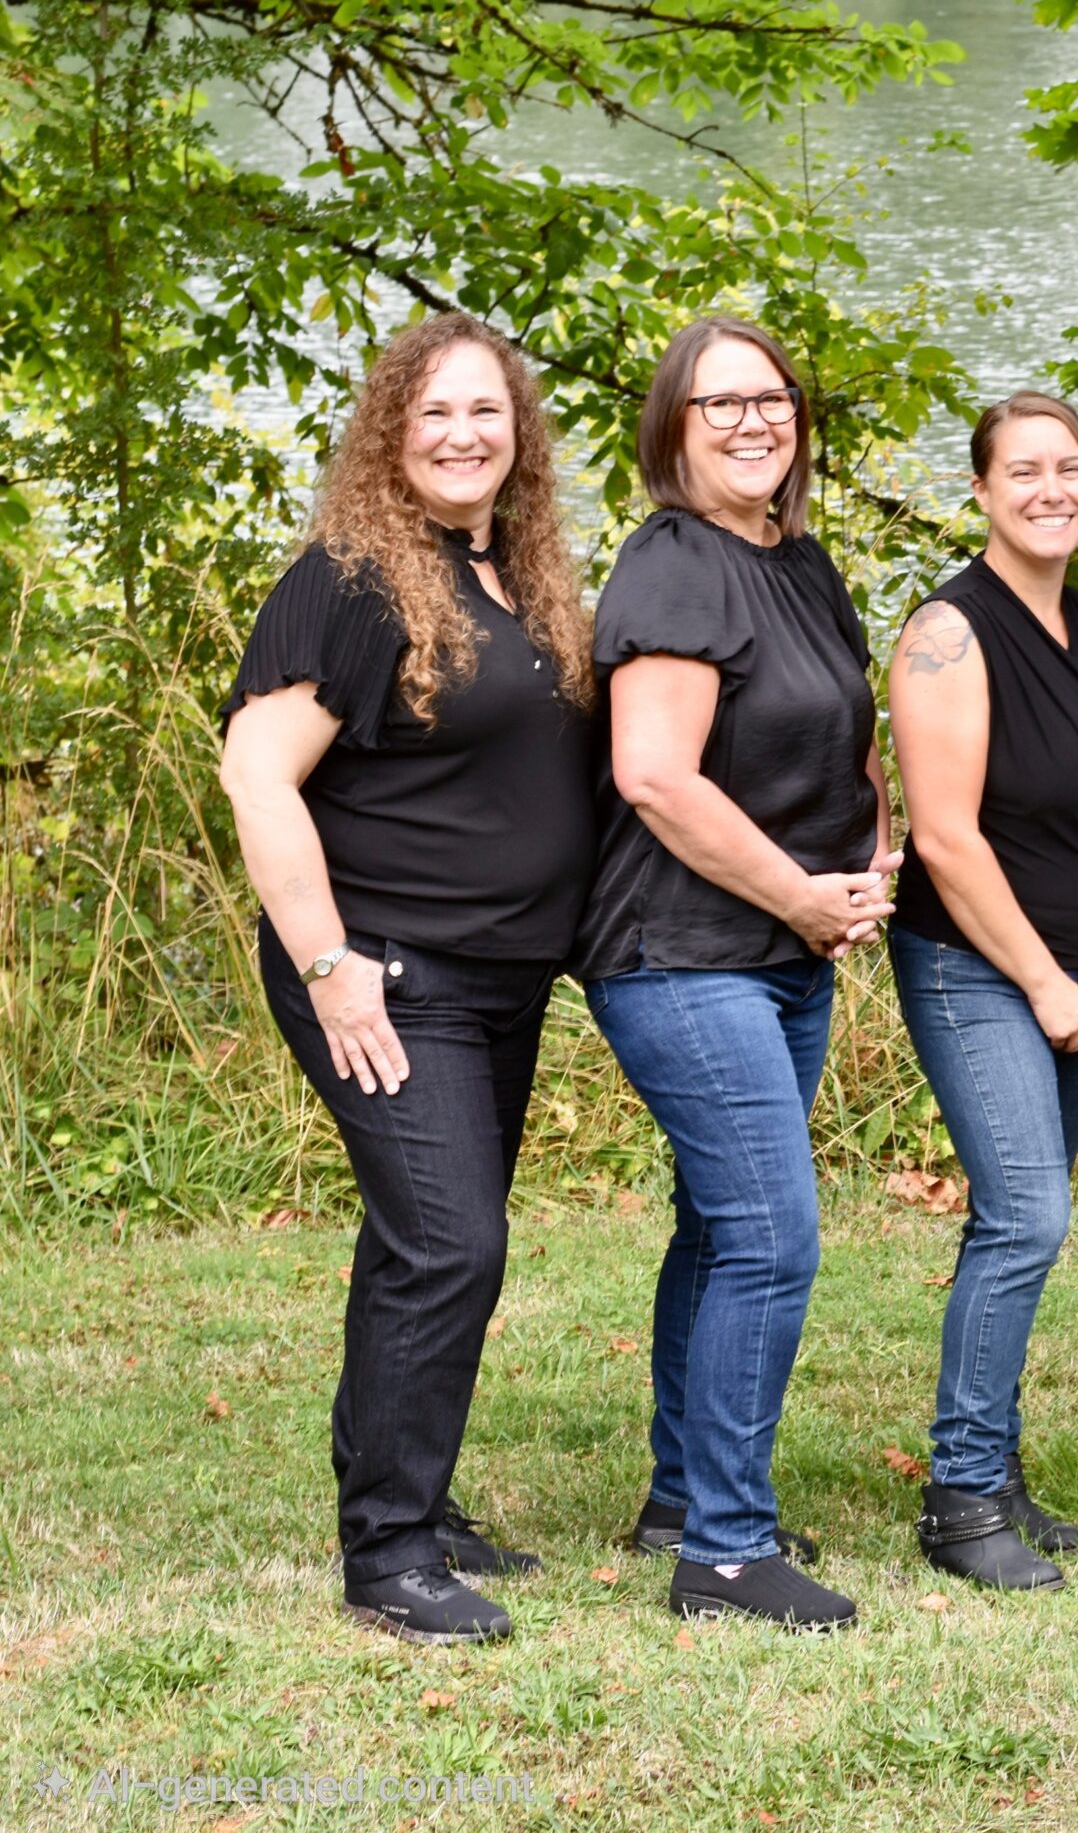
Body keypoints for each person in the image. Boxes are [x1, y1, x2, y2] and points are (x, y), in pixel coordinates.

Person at [219, 313, 595, 1645]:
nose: (462, 434)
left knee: (420, 1242)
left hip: (497, 977)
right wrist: (330, 967)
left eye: (486, 410)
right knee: (451, 1242)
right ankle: (387, 1556)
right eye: (433, 411)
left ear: (519, 432)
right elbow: (257, 774)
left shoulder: (511, 573)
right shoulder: (351, 578)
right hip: (381, 967)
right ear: (391, 431)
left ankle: (413, 1503)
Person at [572, 317, 898, 1633]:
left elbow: (844, 740)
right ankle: (722, 1553)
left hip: (783, 951)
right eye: (721, 403)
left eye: (772, 398)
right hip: (679, 951)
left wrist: (864, 867)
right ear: (673, 428)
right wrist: (798, 893)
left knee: (720, 1229)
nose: (754, 421)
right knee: (770, 1233)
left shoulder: (799, 563)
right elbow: (654, 775)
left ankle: (680, 1497)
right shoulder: (673, 564)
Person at [887, 392, 1078, 1590]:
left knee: (1019, 1220)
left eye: (1072, 469)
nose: (1053, 490)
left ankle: (995, 1474)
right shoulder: (947, 634)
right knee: (1028, 1216)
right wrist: (1048, 983)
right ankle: (960, 1499)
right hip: (978, 970)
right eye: (1024, 471)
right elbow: (944, 838)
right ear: (982, 491)